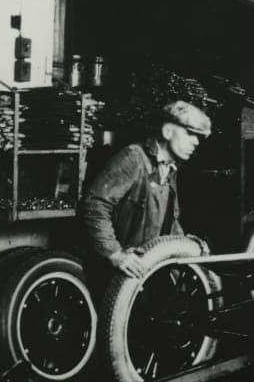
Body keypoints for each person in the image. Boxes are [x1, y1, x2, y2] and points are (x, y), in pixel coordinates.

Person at [80, 100, 211, 279]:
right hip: (116, 273)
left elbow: (169, 221)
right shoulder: (134, 157)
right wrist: (114, 253)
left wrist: (188, 245)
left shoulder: (170, 169)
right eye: (189, 133)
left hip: (145, 271)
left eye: (199, 137)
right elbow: (94, 205)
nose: (196, 142)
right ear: (167, 131)